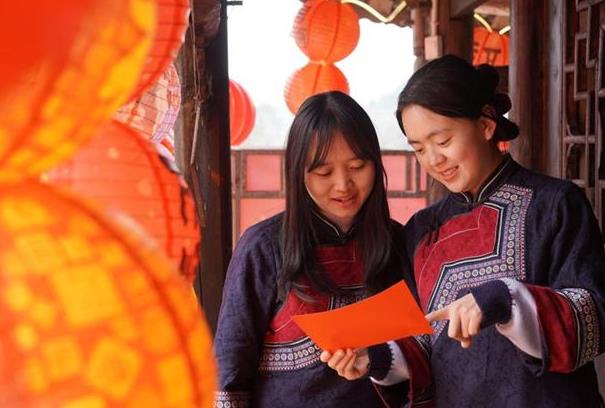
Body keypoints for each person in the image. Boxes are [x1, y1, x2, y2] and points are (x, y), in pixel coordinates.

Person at [321, 54, 605, 407]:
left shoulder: (554, 204)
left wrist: (504, 298)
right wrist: (374, 358)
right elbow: (420, 336)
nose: (433, 160)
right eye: (419, 149)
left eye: (442, 141)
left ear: (485, 125)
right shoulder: (421, 230)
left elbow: (593, 319)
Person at [214, 91, 411, 407]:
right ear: (298, 172)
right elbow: (230, 370)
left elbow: (424, 350)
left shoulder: (399, 243)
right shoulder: (263, 247)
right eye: (323, 172)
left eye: (357, 166)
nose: (343, 185)